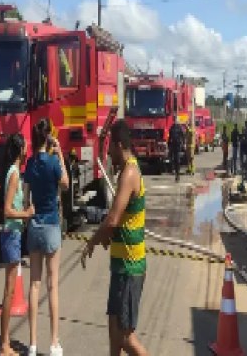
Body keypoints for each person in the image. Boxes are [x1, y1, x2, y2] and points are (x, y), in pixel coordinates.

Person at [81, 120, 148, 356]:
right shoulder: (126, 170)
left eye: (110, 148)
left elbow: (113, 219)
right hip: (120, 265)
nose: (108, 154)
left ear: (120, 145)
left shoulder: (129, 172)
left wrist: (91, 241)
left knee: (126, 337)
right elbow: (120, 221)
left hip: (130, 266)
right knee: (113, 329)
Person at [24, 119, 69, 356]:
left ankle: (32, 344)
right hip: (51, 225)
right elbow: (66, 183)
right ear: (49, 137)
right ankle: (53, 343)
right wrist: (60, 153)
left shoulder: (30, 164)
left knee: (34, 284)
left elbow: (25, 197)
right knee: (53, 286)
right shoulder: (53, 162)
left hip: (34, 225)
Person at [0, 134, 35, 356]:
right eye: (25, 147)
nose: (27, 150)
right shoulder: (13, 175)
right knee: (9, 292)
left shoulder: (14, 173)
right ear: (20, 149)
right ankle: (4, 345)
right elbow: (6, 211)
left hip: (13, 234)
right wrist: (26, 214)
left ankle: (5, 342)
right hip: (11, 233)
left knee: (10, 292)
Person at [168, 117, 184, 182]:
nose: (175, 121)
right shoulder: (172, 127)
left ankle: (177, 174)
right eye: (174, 120)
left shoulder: (180, 128)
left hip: (178, 145)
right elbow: (170, 136)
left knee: (177, 160)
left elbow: (183, 136)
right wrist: (168, 144)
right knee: (172, 159)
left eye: (176, 120)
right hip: (172, 145)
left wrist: (183, 144)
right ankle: (173, 170)